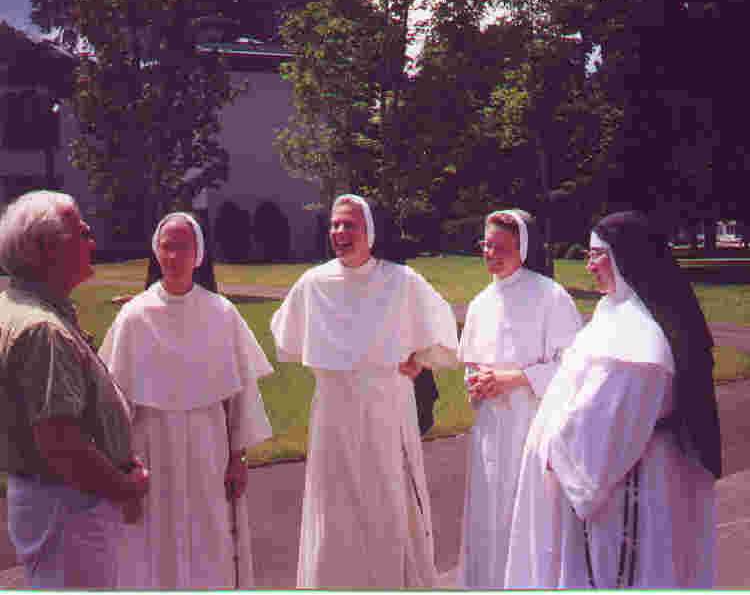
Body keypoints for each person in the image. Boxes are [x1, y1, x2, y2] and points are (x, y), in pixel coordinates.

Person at [505, 211, 720, 588]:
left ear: (626, 258)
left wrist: (557, 454)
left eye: (596, 255)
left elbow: (603, 428)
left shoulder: (639, 341)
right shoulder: (616, 312)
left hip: (625, 487)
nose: (589, 265)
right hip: (620, 476)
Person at [270, 194, 459, 589]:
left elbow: (444, 333)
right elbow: (286, 339)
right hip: (334, 412)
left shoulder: (401, 281)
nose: (340, 232)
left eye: (349, 224)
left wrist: (421, 358)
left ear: (370, 231)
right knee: (334, 507)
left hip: (386, 409)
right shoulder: (313, 283)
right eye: (335, 224)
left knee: (388, 504)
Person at [99, 212, 274, 589]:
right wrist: (123, 464)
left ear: (199, 254)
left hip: (208, 447)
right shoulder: (134, 317)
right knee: (155, 541)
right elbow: (116, 402)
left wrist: (238, 458)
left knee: (208, 537)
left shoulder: (221, 313)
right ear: (155, 252)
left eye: (183, 247)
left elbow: (239, 396)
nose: (174, 255)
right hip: (152, 446)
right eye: (167, 246)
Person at [0, 190, 149, 588]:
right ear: (46, 249)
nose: (92, 242)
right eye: (82, 233)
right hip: (69, 509)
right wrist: (124, 487)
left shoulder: (21, 308)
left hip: (58, 503)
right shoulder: (42, 330)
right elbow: (61, 443)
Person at [456, 209, 582, 588]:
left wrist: (514, 379)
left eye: (501, 248)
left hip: (532, 425)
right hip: (490, 430)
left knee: (527, 518)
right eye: (486, 246)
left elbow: (573, 366)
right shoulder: (481, 303)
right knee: (489, 520)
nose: (490, 254)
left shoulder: (551, 297)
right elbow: (471, 362)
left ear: (523, 249)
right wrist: (476, 384)